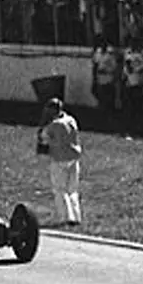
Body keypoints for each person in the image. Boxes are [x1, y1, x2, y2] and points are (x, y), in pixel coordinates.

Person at [38, 97, 83, 226]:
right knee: (72, 189)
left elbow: (43, 139)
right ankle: (76, 216)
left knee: (59, 189)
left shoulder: (53, 125)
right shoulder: (70, 120)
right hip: (74, 156)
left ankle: (64, 217)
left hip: (59, 158)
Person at [90, 36, 119, 113]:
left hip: (109, 77)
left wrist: (114, 78)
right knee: (100, 95)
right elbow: (95, 65)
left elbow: (114, 67)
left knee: (109, 97)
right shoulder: (98, 52)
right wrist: (94, 78)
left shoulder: (110, 54)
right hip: (100, 77)